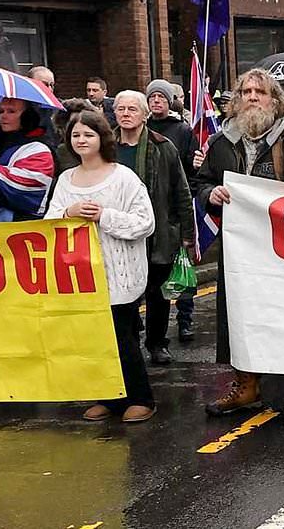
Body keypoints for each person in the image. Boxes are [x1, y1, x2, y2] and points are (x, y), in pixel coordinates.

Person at [193, 69, 284, 422]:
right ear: (237, 100)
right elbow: (202, 183)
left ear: (276, 100)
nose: (252, 97)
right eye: (246, 91)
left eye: (261, 91)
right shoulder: (221, 143)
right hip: (242, 251)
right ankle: (247, 384)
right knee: (243, 314)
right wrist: (211, 193)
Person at [45, 104, 157, 423]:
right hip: (82, 274)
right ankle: (109, 397)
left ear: (101, 138)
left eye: (88, 134)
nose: (81, 140)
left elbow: (144, 222)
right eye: (75, 134)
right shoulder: (66, 179)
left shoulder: (123, 177)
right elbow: (49, 221)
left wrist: (104, 216)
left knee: (123, 337)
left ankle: (140, 397)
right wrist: (69, 212)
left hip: (119, 273)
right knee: (94, 339)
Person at [113, 90, 195, 366]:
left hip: (158, 232)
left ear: (144, 114)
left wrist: (187, 235)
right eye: (120, 109)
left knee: (157, 293)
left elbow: (181, 192)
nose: (125, 114)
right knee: (123, 291)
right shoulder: (105, 148)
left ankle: (157, 343)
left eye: (131, 109)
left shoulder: (164, 147)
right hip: (118, 233)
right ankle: (128, 342)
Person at [0, 98, 56, 222]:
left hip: (20, 228)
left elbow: (23, 190)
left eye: (11, 111)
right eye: (1, 111)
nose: (3, 116)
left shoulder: (39, 149)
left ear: (27, 116)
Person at [146, 79, 196, 179]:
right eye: (152, 96)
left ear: (169, 101)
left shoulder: (183, 130)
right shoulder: (143, 127)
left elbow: (190, 166)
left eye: (161, 96)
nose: (156, 100)